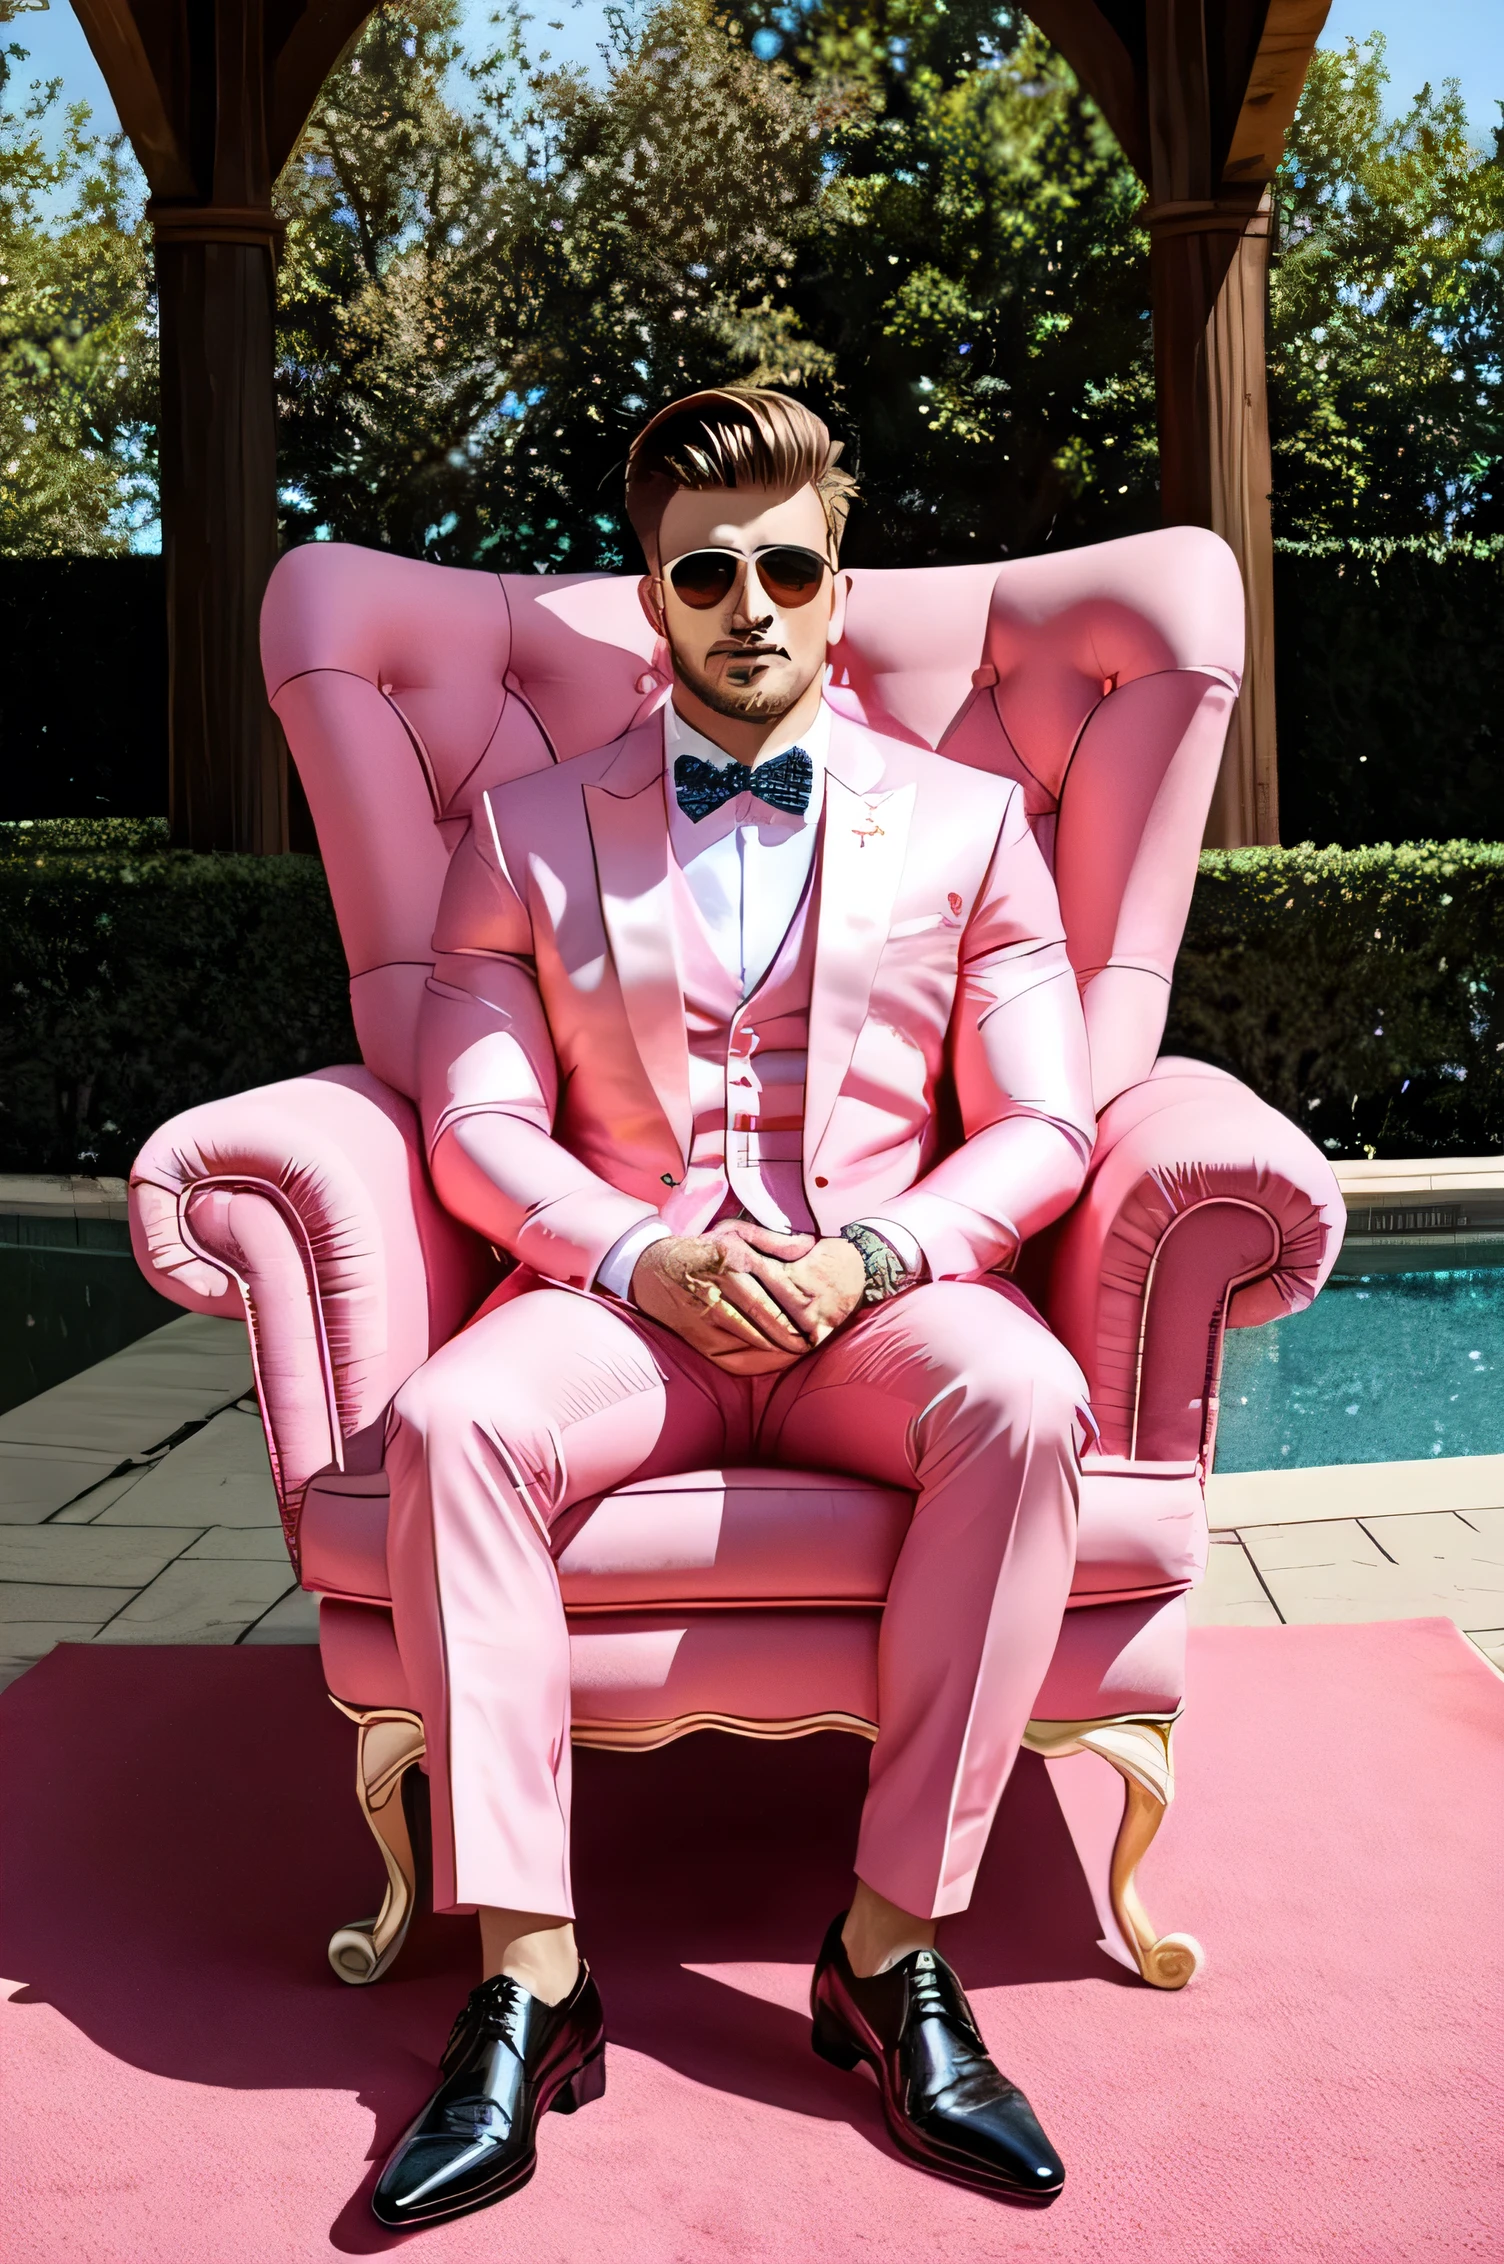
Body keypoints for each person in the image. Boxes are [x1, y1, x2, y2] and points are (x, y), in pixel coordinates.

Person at [371, 387, 1097, 2231]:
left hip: (874, 1300)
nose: (752, 602)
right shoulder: (527, 829)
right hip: (629, 1302)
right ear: (653, 599)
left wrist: (877, 1262)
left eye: (790, 564)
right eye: (710, 569)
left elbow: (1046, 1124)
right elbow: (473, 1118)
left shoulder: (972, 820)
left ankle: (888, 1955)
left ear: (839, 591)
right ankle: (533, 1983)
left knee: (1023, 1402)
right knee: (458, 1425)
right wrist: (634, 1254)